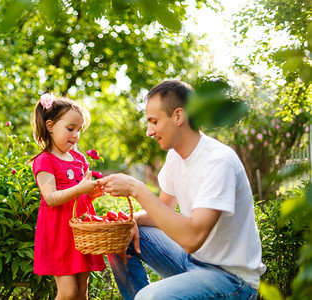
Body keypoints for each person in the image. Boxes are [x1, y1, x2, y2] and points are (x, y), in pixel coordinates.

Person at [98, 80, 266, 299]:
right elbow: (162, 211)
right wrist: (130, 221)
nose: (149, 131)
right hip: (192, 262)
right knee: (123, 236)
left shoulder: (218, 162)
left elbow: (192, 238)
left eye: (154, 121)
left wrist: (136, 188)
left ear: (178, 116)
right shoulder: (175, 157)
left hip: (232, 280)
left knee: (149, 298)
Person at [30, 93, 106, 300]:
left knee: (82, 290)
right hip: (59, 233)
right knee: (68, 292)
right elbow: (51, 198)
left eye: (79, 130)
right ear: (50, 125)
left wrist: (91, 195)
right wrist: (80, 189)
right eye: (70, 128)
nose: (75, 135)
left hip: (80, 231)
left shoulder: (79, 158)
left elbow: (79, 195)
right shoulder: (44, 161)